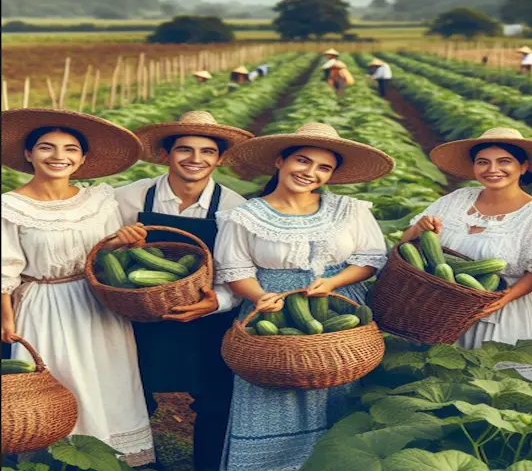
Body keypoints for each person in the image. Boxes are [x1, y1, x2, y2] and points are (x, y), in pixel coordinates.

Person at [215, 122, 394, 470]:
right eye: (302, 160)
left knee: (339, 384)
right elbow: (235, 270)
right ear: (280, 161)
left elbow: (370, 258)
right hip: (273, 309)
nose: (310, 172)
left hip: (339, 307)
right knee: (276, 385)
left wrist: (334, 282)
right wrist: (261, 296)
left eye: (323, 168)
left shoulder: (350, 210)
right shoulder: (246, 216)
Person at [0, 108, 155, 467]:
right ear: (28, 154)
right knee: (56, 379)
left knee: (108, 379)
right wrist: (6, 319)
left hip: (97, 302)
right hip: (43, 303)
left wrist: (126, 242)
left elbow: (103, 255)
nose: (58, 156)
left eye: (70, 149)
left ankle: (107, 455)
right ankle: (54, 456)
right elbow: (5, 269)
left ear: (82, 158)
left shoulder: (99, 200)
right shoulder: (10, 206)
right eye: (46, 147)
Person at [113, 111, 254, 471]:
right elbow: (96, 251)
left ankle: (208, 465)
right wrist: (117, 243)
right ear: (166, 154)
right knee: (132, 395)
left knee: (215, 401)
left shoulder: (235, 209)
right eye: (184, 149)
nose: (195, 159)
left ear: (219, 158)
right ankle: (135, 461)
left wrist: (216, 303)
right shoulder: (128, 198)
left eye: (207, 151)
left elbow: (241, 272)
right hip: (138, 315)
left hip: (207, 318)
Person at [400, 127, 532, 394]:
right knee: (452, 386)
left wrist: (503, 298)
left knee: (507, 389)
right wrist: (419, 227)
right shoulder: (456, 199)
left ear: (523, 167)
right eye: (483, 162)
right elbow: (406, 242)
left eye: (504, 162)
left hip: (506, 313)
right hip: (445, 310)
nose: (493, 169)